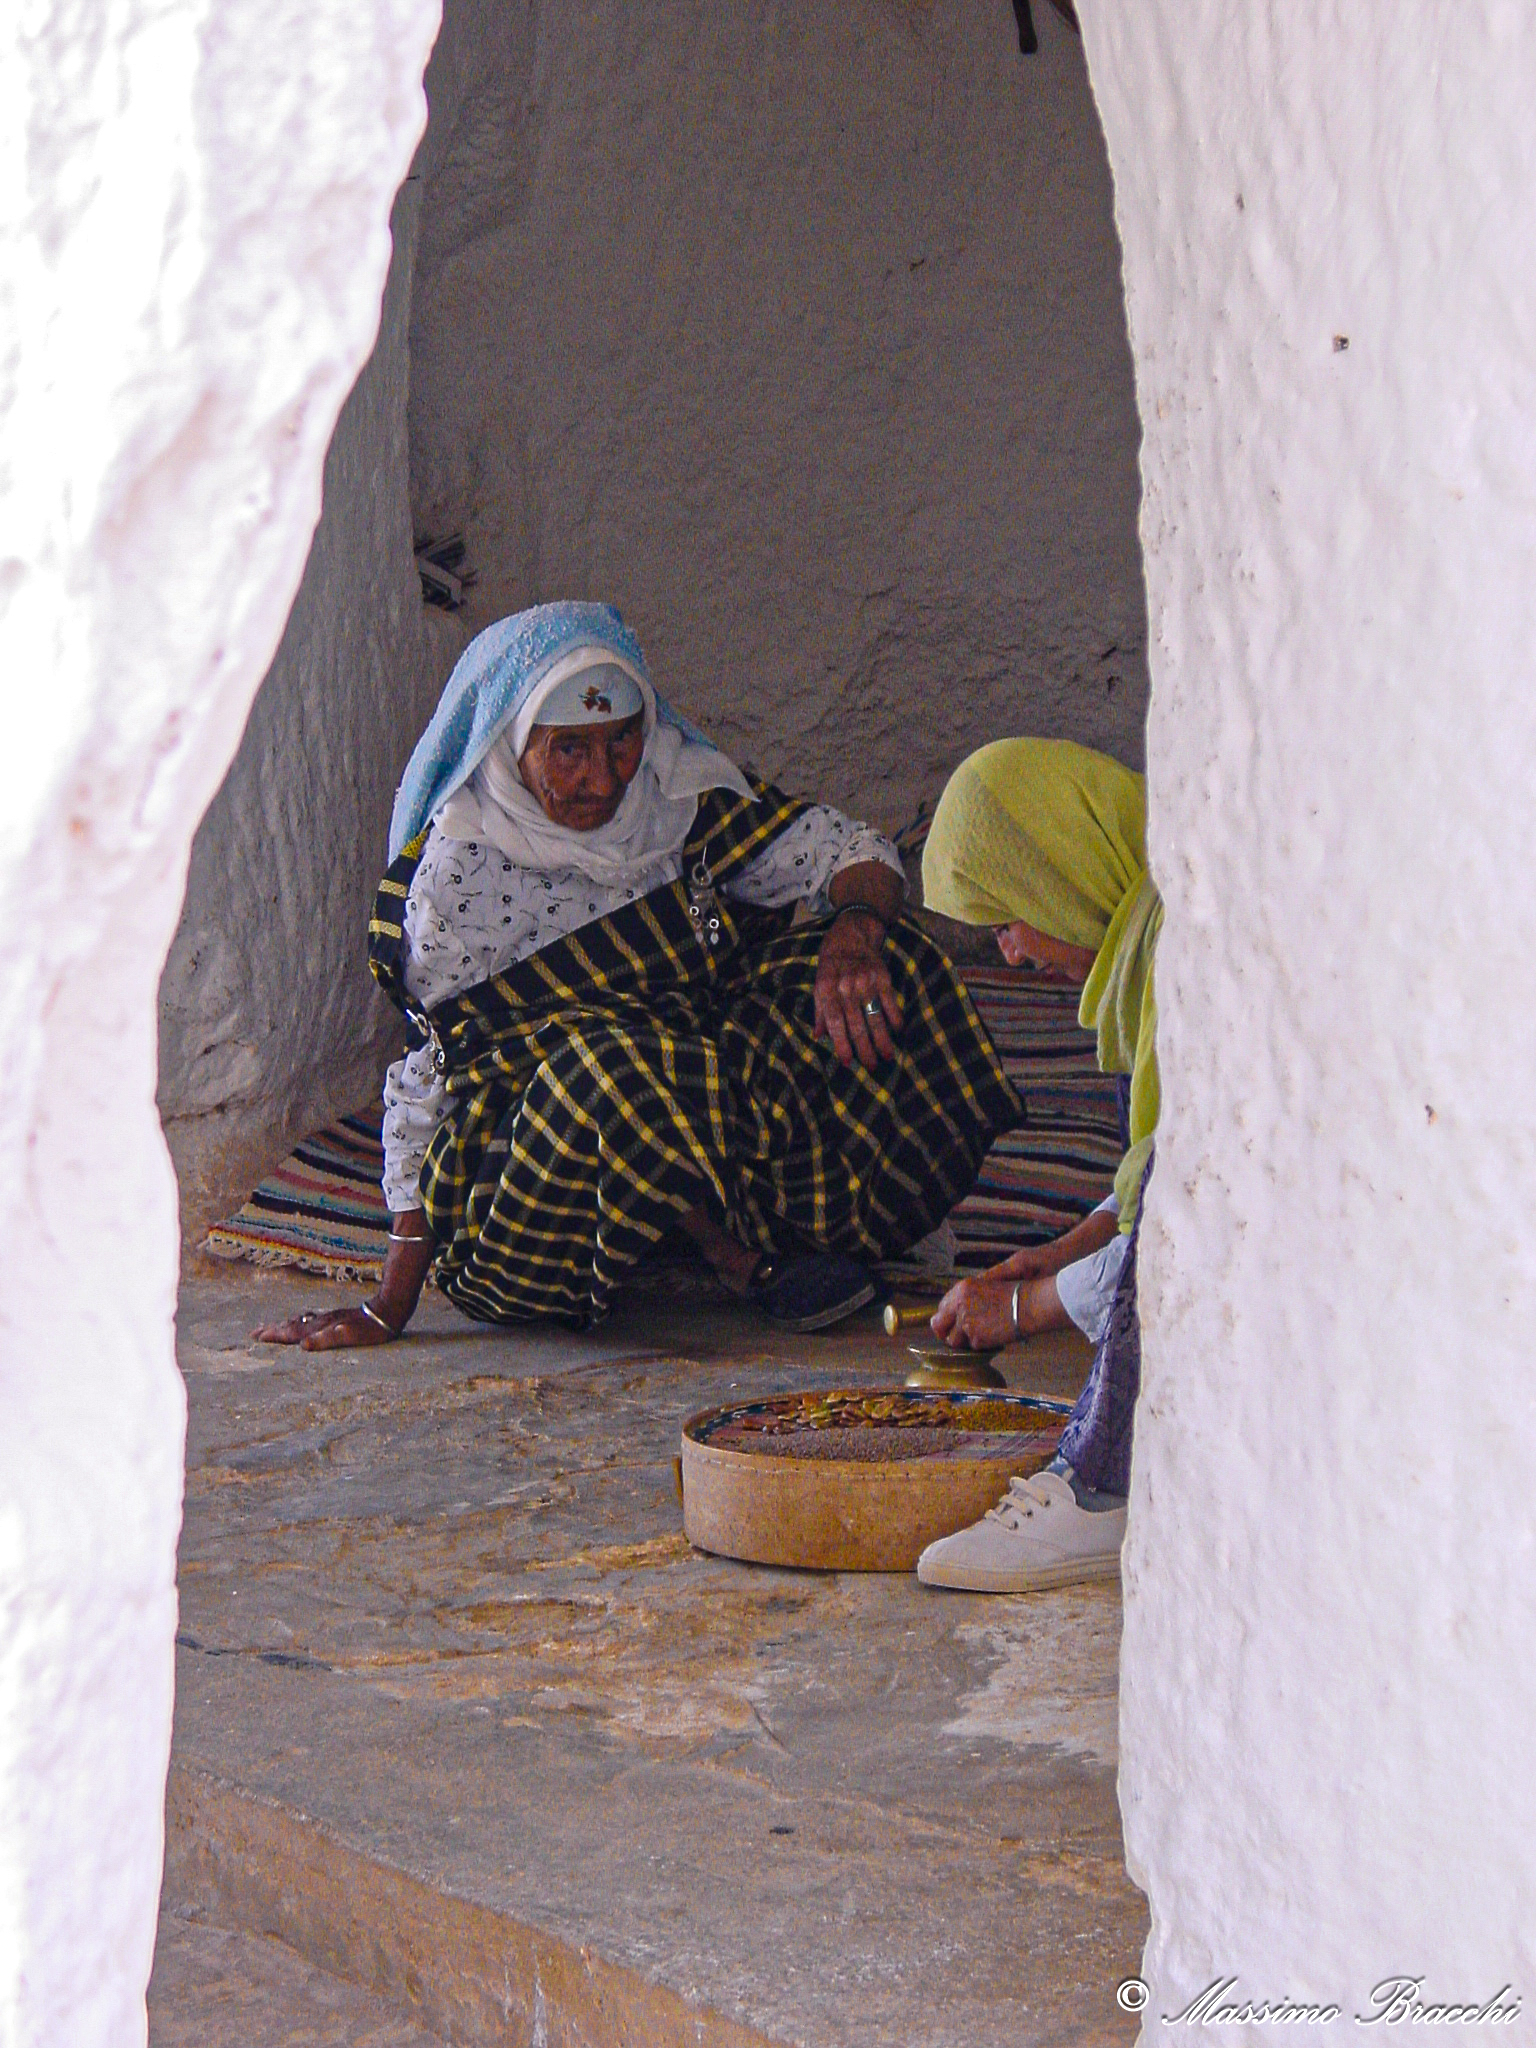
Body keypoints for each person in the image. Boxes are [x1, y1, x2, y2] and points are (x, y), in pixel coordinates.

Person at [257, 602, 1019, 1350]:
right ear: (511, 744)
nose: (602, 780)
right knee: (610, 1065)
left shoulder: (673, 798)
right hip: (538, 1191)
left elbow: (844, 850)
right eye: (569, 751)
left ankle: (819, 1223)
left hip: (696, 1102)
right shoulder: (459, 879)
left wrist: (855, 937)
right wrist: (391, 1303)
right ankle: (737, 1261)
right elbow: (427, 1084)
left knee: (891, 968)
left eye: (621, 742)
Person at [912, 737, 1161, 1592]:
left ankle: (1102, 1485)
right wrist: (1069, 1249)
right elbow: (1156, 1169)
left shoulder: (1190, 958)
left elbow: (1198, 1221)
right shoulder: (1152, 944)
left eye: (1008, 918)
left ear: (1056, 871)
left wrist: (1026, 1307)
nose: (1010, 952)